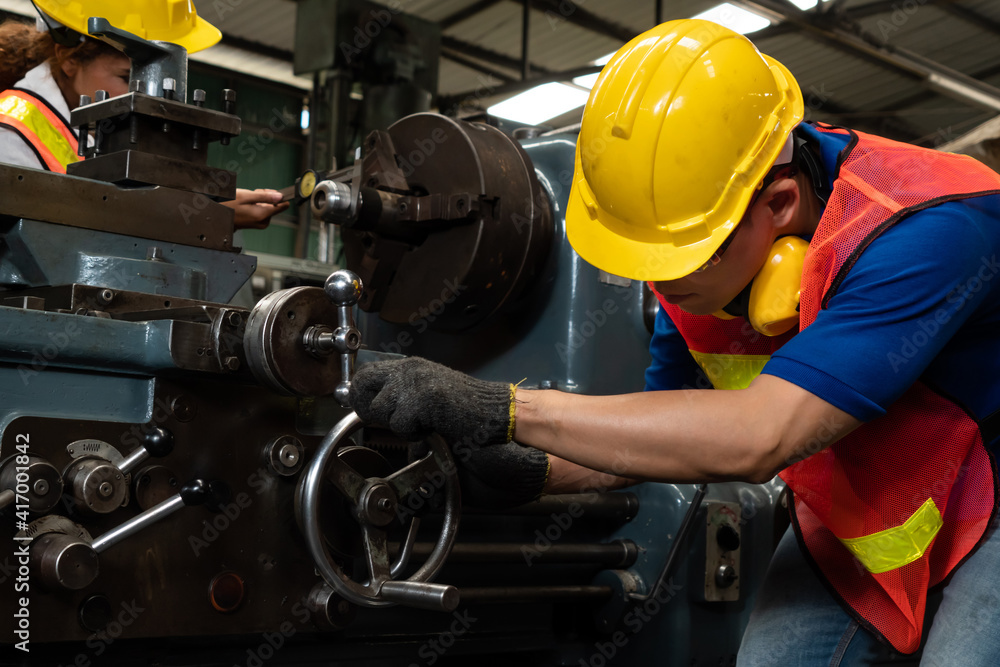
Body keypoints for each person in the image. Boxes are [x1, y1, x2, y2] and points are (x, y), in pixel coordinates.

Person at [348, 19, 1000, 667]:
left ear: (777, 204)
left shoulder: (926, 228)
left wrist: (511, 409)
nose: (659, 280)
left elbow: (760, 433)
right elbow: (655, 436)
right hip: (869, 519)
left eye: (680, 255)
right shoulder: (697, 269)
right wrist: (536, 470)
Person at [0, 1, 288, 229]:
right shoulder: (10, 133)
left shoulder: (88, 127)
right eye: (129, 77)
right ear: (70, 59)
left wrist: (203, 210)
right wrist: (202, 217)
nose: (149, 98)